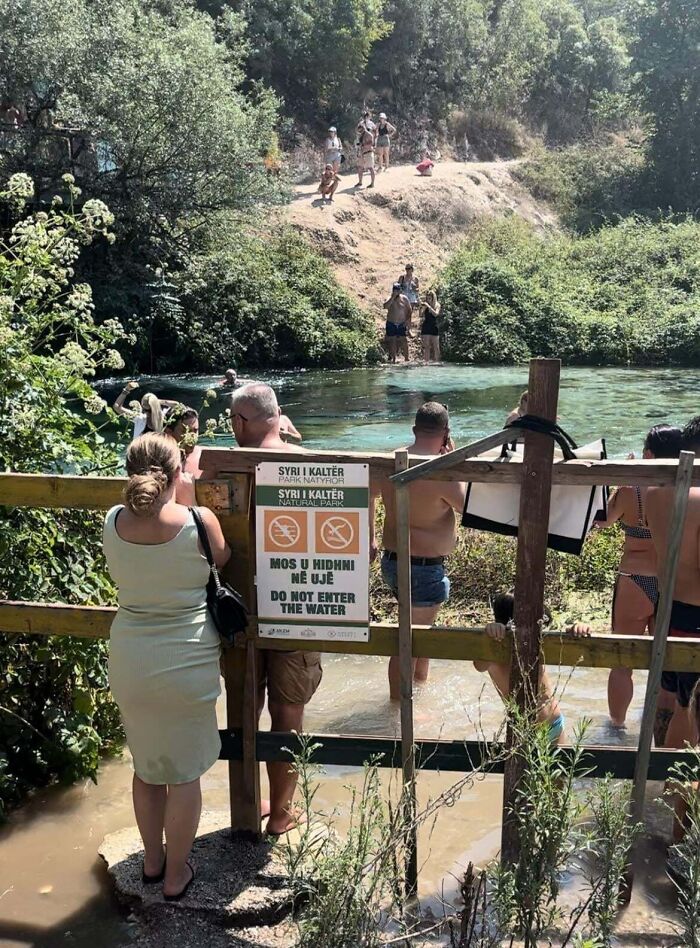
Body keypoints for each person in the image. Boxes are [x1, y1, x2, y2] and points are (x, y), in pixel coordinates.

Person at [103, 433, 230, 900]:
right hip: (187, 658)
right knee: (184, 775)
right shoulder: (199, 521)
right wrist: (191, 500)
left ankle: (152, 864)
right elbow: (222, 559)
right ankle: (177, 876)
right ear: (180, 474)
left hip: (132, 656)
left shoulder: (113, 521)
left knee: (147, 766)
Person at [230, 383, 321, 835]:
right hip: (297, 605)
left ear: (240, 422)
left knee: (244, 707)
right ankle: (282, 814)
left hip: (238, 608)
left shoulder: (223, 466)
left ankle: (246, 808)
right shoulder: (309, 464)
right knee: (289, 715)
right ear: (279, 415)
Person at [596, 424, 681, 736]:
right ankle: (660, 731)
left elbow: (602, 520)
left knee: (622, 662)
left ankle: (616, 728)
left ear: (648, 454)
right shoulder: (685, 487)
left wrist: (621, 479)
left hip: (634, 577)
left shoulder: (631, 487)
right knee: (666, 663)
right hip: (670, 580)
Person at [379, 403, 466, 699]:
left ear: (415, 430)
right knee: (411, 641)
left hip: (393, 561)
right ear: (446, 433)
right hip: (423, 566)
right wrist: (454, 459)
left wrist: (368, 536)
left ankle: (419, 695)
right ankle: (398, 708)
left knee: (419, 635)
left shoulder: (391, 460)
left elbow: (364, 492)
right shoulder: (441, 472)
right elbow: (468, 507)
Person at [646, 416, 700, 843]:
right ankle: (682, 826)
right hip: (697, 614)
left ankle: (665, 801)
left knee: (681, 707)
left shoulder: (656, 492)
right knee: (692, 711)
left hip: (671, 610)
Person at [475, 593, 592, 744]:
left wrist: (578, 628)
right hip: (523, 730)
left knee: (560, 767)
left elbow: (563, 634)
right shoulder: (494, 650)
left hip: (553, 723)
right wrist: (491, 634)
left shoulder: (537, 639)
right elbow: (479, 665)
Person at [113, 383, 179, 439]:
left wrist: (126, 389)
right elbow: (177, 405)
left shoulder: (139, 418)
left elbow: (117, 407)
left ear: (142, 405)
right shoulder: (163, 417)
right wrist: (157, 401)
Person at [164, 405, 202, 477]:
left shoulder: (204, 458)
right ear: (168, 432)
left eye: (195, 431)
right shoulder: (160, 460)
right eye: (185, 431)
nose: (192, 437)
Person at [383, 283, 412, 363]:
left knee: (404, 340)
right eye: (395, 290)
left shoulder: (404, 298)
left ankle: (407, 358)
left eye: (397, 290)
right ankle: (394, 359)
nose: (396, 291)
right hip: (391, 322)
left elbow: (409, 310)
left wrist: (407, 321)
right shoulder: (389, 298)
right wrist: (392, 298)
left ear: (400, 290)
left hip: (401, 323)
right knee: (392, 340)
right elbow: (385, 306)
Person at [420, 290, 440, 362]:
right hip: (426, 326)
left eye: (429, 298)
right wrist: (422, 308)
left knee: (436, 346)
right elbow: (420, 315)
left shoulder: (437, 305)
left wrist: (429, 307)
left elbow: (436, 314)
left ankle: (437, 361)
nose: (428, 300)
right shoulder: (426, 306)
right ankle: (426, 362)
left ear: (433, 298)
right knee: (427, 346)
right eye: (427, 298)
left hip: (434, 326)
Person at [356, 116, 376, 189]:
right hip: (362, 153)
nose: (360, 132)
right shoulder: (361, 135)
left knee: (371, 168)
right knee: (360, 167)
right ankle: (360, 182)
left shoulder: (369, 135)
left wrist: (363, 145)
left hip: (368, 152)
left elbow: (371, 144)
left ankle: (372, 183)